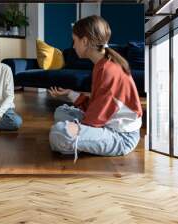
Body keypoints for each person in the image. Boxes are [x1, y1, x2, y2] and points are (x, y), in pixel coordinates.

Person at [48, 15, 142, 163]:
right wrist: (71, 95)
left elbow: (94, 119)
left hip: (121, 137)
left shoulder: (109, 70)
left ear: (85, 41)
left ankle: (76, 143)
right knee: (61, 112)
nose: (73, 46)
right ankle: (83, 141)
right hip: (106, 123)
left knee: (59, 132)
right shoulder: (102, 64)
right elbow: (97, 105)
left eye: (75, 41)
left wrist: (72, 129)